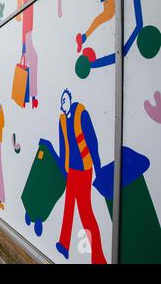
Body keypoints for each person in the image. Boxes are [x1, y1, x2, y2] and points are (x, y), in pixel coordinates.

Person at [56, 89, 107, 264]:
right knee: (68, 206)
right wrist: (63, 170)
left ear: (70, 99)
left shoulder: (81, 114)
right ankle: (63, 244)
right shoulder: (62, 120)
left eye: (65, 99)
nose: (63, 103)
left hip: (84, 169)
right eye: (61, 101)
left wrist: (98, 167)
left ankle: (98, 257)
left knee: (85, 212)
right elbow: (63, 146)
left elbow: (92, 141)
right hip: (71, 170)